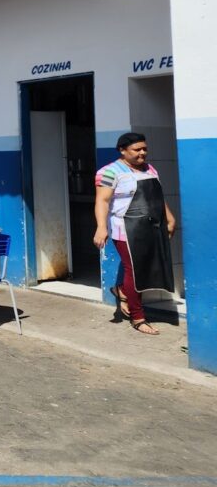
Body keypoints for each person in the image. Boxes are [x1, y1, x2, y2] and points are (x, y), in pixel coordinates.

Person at [94, 132, 176, 336]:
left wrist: (169, 217)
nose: (142, 153)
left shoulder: (150, 169)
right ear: (122, 150)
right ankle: (138, 317)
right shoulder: (110, 172)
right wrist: (101, 227)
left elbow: (157, 196)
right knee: (135, 270)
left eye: (144, 149)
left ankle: (122, 289)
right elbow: (102, 201)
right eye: (136, 149)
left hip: (150, 227)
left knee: (147, 267)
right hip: (124, 228)